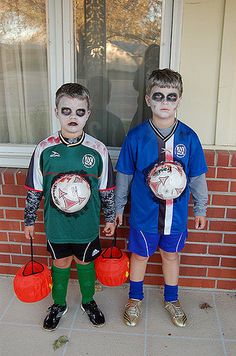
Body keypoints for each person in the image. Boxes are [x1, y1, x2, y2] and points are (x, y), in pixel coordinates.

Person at [115, 68, 208, 328]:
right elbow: (124, 174)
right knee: (140, 256)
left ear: (179, 100)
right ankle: (135, 299)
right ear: (148, 100)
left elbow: (197, 177)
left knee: (171, 256)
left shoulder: (189, 138)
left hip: (175, 215)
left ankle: (172, 299)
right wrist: (119, 207)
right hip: (144, 213)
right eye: (158, 96)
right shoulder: (136, 136)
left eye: (171, 96)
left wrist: (200, 208)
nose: (164, 102)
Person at [24, 83, 116, 331]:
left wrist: (109, 218)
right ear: (56, 112)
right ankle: (58, 304)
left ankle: (88, 301)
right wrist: (29, 220)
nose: (73, 117)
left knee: (85, 262)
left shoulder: (97, 150)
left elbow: (106, 189)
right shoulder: (45, 148)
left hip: (86, 224)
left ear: (88, 113)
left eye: (79, 111)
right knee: (61, 262)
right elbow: (34, 188)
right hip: (57, 224)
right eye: (66, 111)